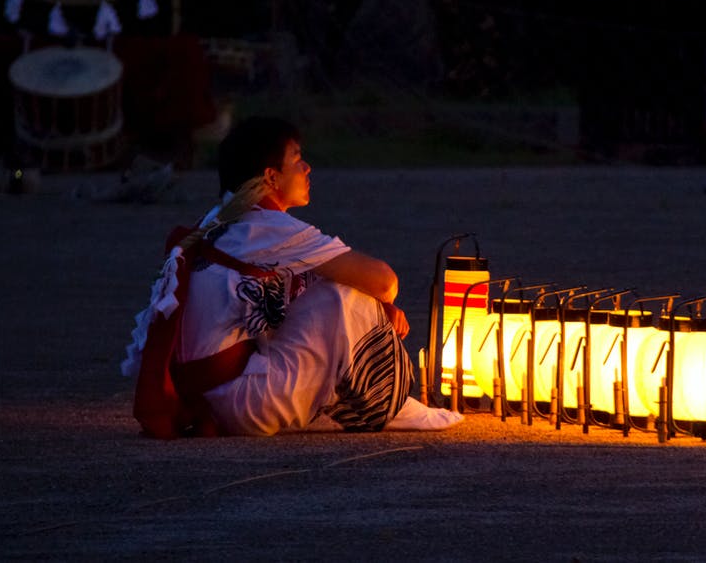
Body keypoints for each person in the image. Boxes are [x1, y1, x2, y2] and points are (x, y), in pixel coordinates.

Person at [126, 116, 463, 436]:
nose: (307, 168)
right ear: (271, 177)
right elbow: (385, 282)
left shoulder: (217, 220)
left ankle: (343, 402)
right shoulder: (266, 228)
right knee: (341, 295)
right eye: (298, 160)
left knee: (324, 289)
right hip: (241, 402)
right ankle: (385, 405)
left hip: (207, 398)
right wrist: (377, 304)